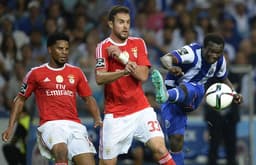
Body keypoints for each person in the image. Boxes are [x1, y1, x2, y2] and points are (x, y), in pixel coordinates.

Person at [1, 32, 103, 165]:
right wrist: (10, 126)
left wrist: (97, 118)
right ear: (50, 49)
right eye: (60, 48)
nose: (64, 52)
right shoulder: (35, 73)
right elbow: (20, 99)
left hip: (74, 125)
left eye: (66, 49)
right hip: (51, 125)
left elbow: (88, 99)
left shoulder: (76, 72)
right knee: (61, 151)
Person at [95, 5, 175, 165]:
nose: (125, 26)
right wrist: (122, 72)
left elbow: (143, 75)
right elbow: (100, 77)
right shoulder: (102, 47)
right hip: (115, 115)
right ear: (110, 24)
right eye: (120, 22)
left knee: (160, 148)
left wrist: (122, 58)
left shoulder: (138, 43)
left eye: (128, 22)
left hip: (141, 110)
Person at [151, 33, 243, 165]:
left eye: (218, 52)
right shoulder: (192, 52)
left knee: (193, 86)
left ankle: (167, 94)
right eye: (211, 51)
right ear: (203, 48)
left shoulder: (220, 61)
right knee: (175, 142)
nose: (214, 55)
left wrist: (234, 93)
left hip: (193, 96)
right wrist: (171, 67)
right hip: (172, 100)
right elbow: (165, 58)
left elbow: (223, 78)